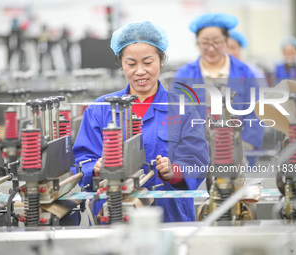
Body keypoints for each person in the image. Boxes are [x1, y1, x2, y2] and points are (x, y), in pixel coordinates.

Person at [73, 21, 209, 222]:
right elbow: (82, 159)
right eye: (131, 64)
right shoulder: (99, 109)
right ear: (121, 64)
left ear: (161, 60)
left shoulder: (183, 109)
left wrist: (175, 171)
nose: (140, 71)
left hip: (169, 216)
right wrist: (94, 168)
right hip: (113, 215)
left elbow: (196, 160)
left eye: (147, 62)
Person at [173, 13, 264, 165]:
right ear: (197, 43)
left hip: (238, 153)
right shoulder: (184, 74)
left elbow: (256, 113)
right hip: (195, 156)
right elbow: (176, 116)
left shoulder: (244, 72)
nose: (211, 48)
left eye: (217, 42)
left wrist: (244, 149)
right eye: (204, 43)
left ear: (226, 41)